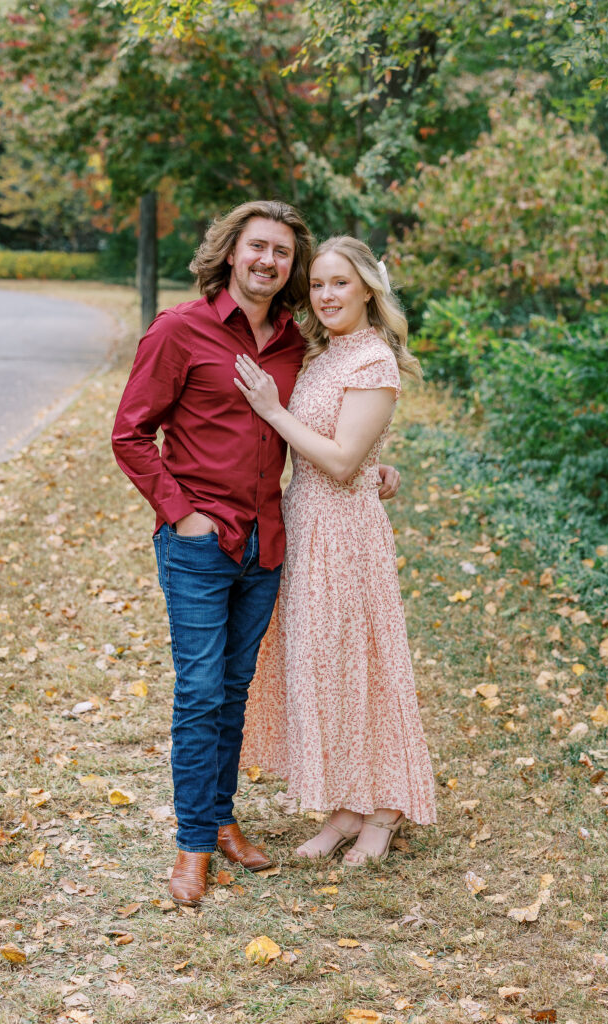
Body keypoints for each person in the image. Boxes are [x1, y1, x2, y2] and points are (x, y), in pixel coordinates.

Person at [111, 203, 400, 905]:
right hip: (201, 547)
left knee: (234, 694)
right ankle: (191, 847)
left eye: (281, 253)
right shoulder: (180, 330)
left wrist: (376, 470)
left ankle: (222, 820)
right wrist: (180, 516)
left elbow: (335, 422)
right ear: (230, 252)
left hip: (269, 542)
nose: (268, 261)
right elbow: (128, 434)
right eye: (257, 247)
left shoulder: (294, 345)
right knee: (200, 691)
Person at [236, 236, 436, 866]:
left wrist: (271, 409)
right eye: (318, 284)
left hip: (347, 534)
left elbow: (346, 461)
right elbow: (355, 445)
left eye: (339, 284)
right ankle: (346, 805)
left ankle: (385, 809)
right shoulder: (324, 354)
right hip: (306, 523)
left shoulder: (372, 359)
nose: (325, 296)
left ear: (368, 290)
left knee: (364, 667)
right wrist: (382, 463)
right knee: (324, 669)